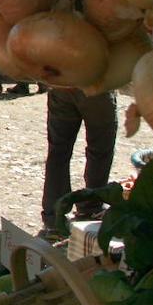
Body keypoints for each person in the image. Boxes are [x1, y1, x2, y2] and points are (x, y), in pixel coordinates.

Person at [39, 87, 118, 241]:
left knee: (58, 152)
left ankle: (53, 218)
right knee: (100, 150)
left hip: (61, 83)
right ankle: (91, 207)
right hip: (95, 85)